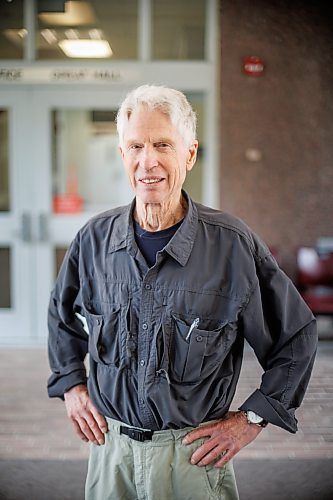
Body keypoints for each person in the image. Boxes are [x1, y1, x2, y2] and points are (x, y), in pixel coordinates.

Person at [47, 84, 317, 500]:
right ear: (122, 155)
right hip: (110, 458)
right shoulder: (93, 241)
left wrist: (251, 419)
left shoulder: (232, 246)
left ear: (189, 154)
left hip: (193, 463)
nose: (147, 161)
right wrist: (71, 385)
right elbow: (62, 316)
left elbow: (295, 338)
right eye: (135, 146)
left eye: (162, 145)